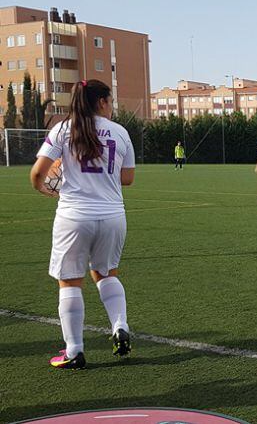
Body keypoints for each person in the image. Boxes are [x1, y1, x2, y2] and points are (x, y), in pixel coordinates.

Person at [29, 79, 135, 369]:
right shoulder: (120, 132)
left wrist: (46, 188)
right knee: (106, 274)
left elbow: (37, 173)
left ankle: (74, 351)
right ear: (101, 102)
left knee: (69, 282)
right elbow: (127, 178)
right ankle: (120, 325)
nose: (111, 107)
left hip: (74, 217)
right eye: (110, 102)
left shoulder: (63, 129)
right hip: (113, 216)